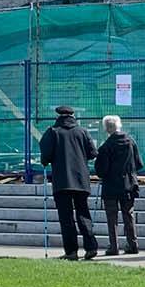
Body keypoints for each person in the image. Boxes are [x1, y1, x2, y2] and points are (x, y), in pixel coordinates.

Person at [38, 105, 98, 260]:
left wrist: (46, 161)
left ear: (58, 116)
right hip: (81, 180)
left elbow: (45, 155)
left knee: (66, 218)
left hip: (62, 181)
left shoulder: (52, 132)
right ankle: (91, 247)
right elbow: (92, 153)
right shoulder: (82, 131)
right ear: (73, 115)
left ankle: (71, 251)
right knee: (84, 214)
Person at [93, 115, 144, 256]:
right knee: (129, 215)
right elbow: (139, 163)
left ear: (106, 129)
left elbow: (100, 170)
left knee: (112, 217)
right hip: (128, 184)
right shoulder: (130, 141)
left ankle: (114, 246)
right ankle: (133, 244)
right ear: (119, 125)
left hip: (111, 185)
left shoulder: (105, 146)